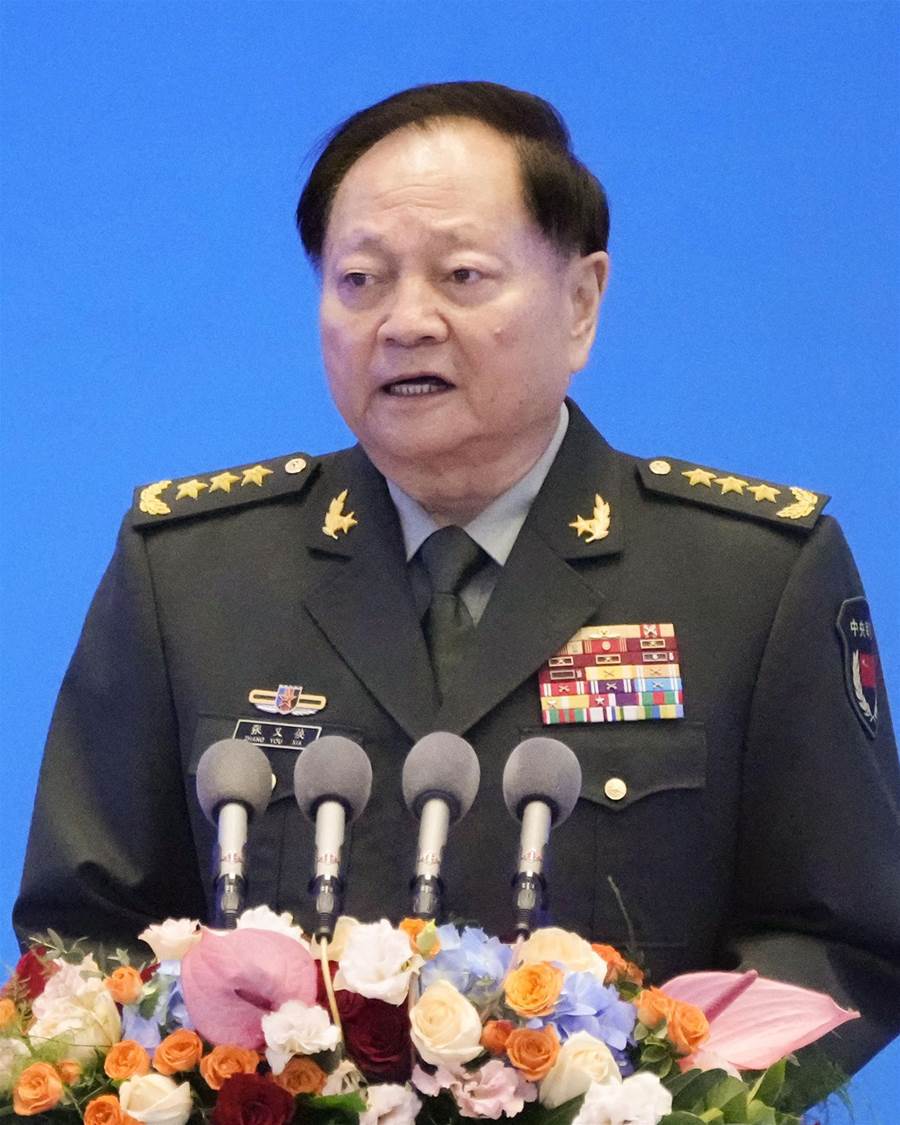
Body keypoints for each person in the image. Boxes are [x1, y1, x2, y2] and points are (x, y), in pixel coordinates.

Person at [14, 82, 900, 1076]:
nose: (406, 322)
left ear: (581, 302)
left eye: (462, 275)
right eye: (360, 279)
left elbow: (842, 941)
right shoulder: (190, 573)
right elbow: (82, 934)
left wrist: (663, 1093)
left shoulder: (750, 580)